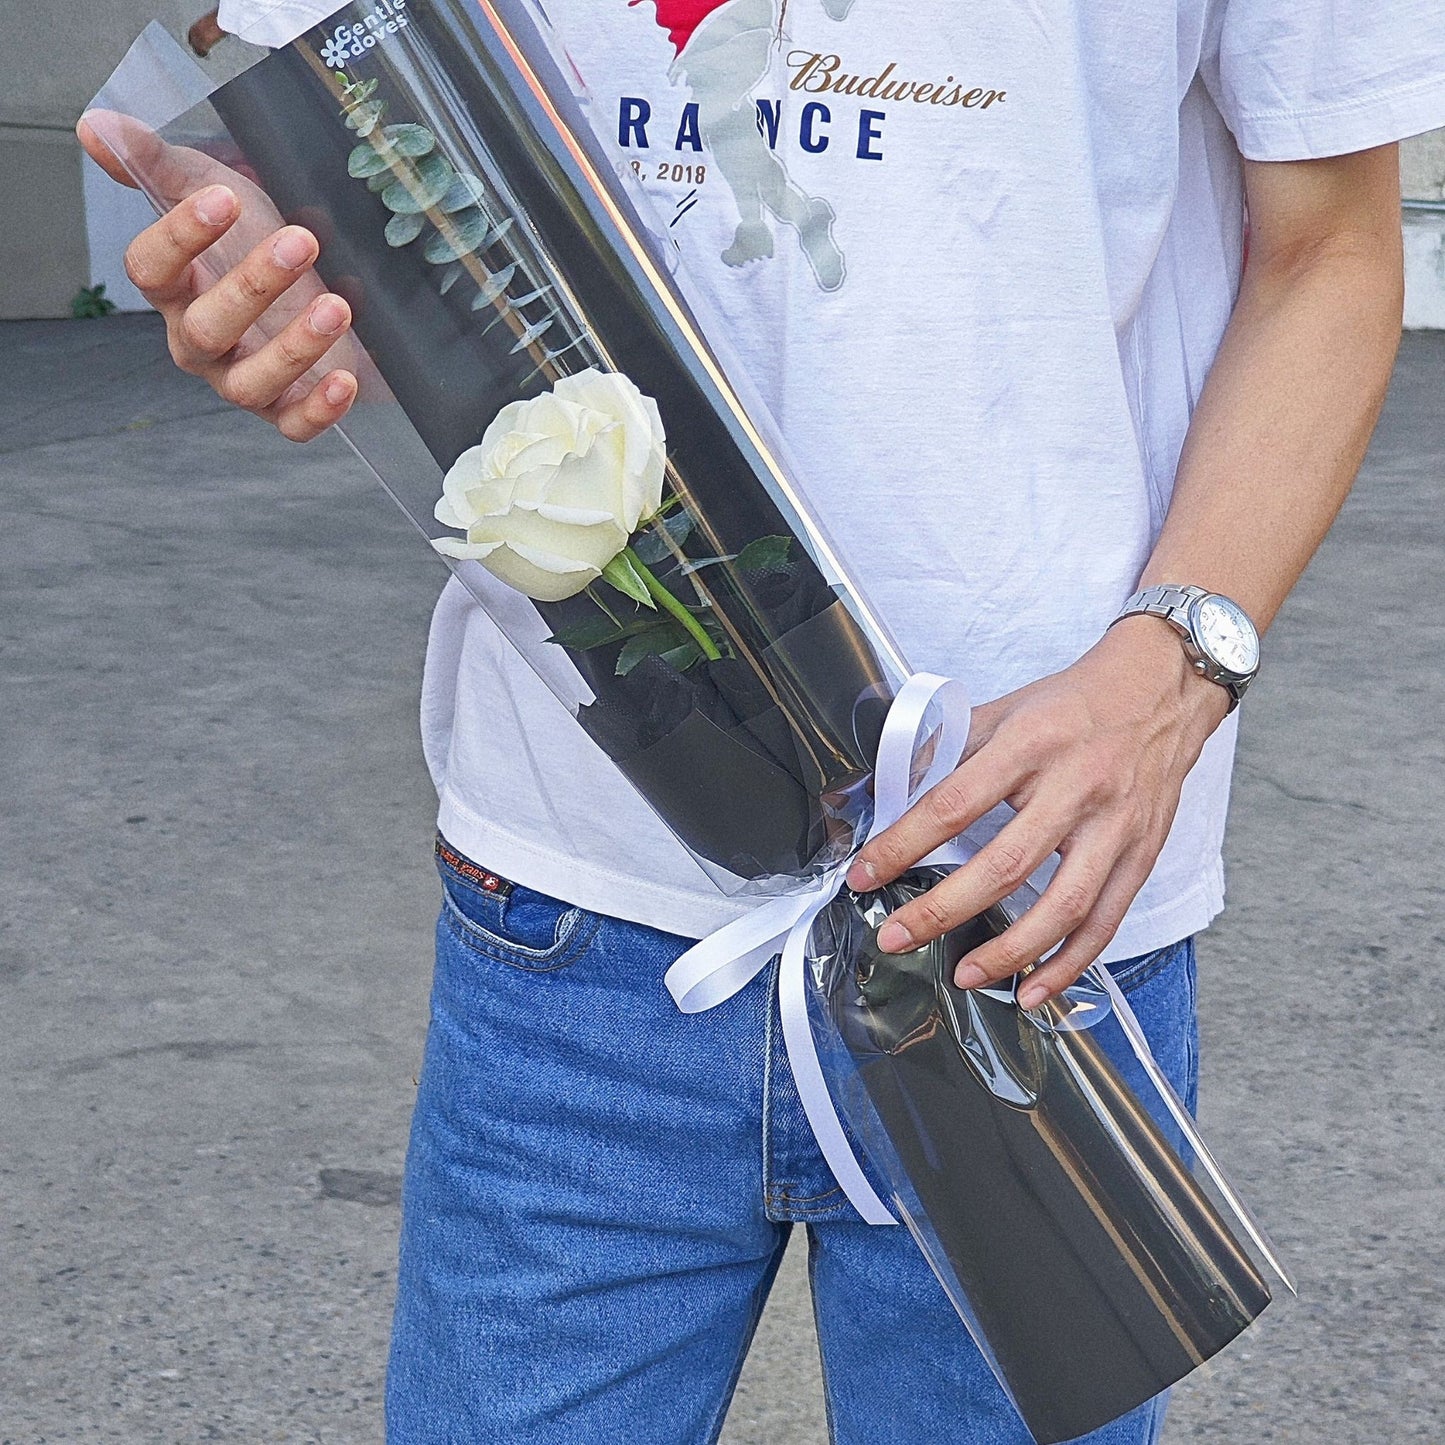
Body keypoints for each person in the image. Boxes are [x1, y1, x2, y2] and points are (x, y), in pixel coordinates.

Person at [81, 1, 1445, 1440]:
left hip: (1031, 904)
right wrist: (266, 254)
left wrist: (1174, 668)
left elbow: (1332, 244)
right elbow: (317, 83)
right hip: (571, 920)